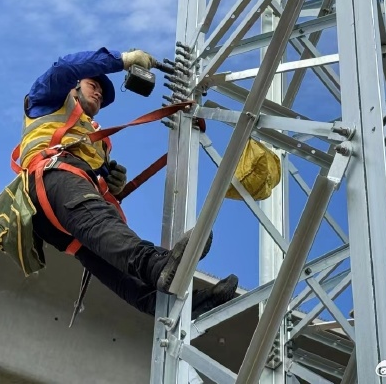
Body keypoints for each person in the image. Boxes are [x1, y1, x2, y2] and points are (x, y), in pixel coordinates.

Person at [19, 47, 238, 318]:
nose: (99, 93)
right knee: (103, 225)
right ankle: (159, 264)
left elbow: (95, 188)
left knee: (106, 258)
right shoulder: (49, 98)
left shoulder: (96, 141)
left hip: (51, 216)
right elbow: (64, 66)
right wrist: (122, 60)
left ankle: (175, 305)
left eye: (102, 92)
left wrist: (113, 185)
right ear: (75, 86)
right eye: (93, 84)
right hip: (52, 178)